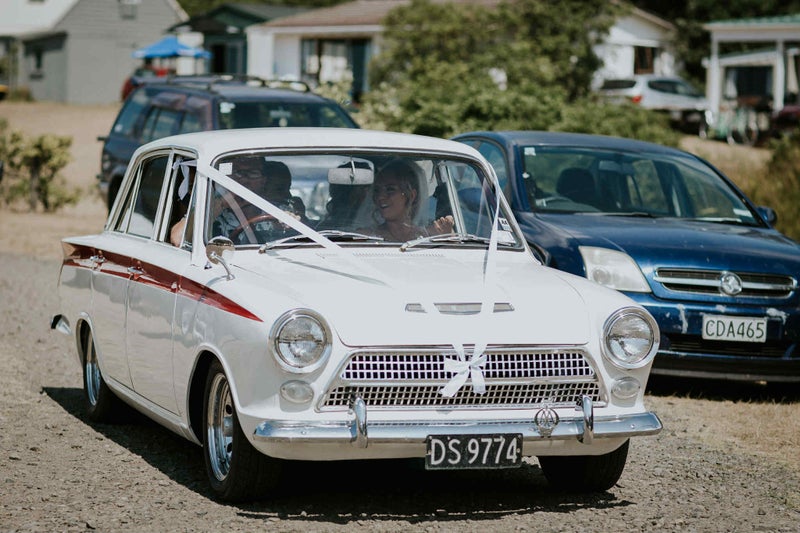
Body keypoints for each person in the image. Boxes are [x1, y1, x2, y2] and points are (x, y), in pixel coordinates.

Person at [211, 156, 306, 244]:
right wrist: (222, 203)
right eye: (238, 173)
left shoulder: (278, 210)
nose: (244, 180)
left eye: (253, 173)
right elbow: (197, 228)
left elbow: (299, 237)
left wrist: (286, 224)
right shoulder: (213, 210)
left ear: (263, 180)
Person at [363, 159, 453, 242]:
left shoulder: (433, 234)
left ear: (411, 195)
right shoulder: (364, 237)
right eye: (377, 191)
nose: (380, 197)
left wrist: (448, 236)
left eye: (390, 189)